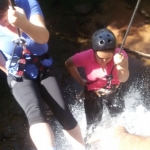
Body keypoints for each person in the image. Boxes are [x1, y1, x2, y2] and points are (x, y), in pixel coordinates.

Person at [0, 0, 85, 150]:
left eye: (2, 14)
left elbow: (43, 37)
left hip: (43, 68)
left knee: (64, 113)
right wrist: (10, 73)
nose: (1, 22)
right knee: (35, 113)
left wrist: (23, 23)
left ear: (9, 3)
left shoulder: (28, 3)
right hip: (18, 74)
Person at [65, 28, 129, 128]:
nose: (104, 61)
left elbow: (123, 78)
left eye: (108, 58)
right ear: (94, 52)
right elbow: (68, 64)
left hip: (114, 90)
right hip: (93, 93)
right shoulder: (84, 56)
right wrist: (81, 81)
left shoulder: (120, 56)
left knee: (120, 121)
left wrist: (121, 65)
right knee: (93, 126)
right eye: (100, 58)